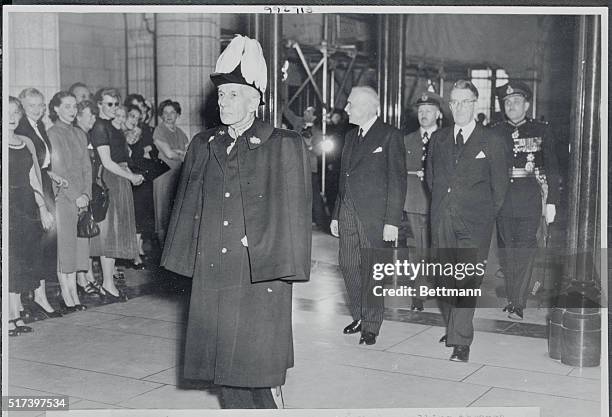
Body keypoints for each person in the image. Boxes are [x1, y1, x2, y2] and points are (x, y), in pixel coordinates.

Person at [161, 34, 312, 409]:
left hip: (258, 273)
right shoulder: (204, 143)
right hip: (214, 272)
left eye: (233, 95)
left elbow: (293, 214)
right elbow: (187, 206)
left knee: (258, 372)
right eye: (222, 95)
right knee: (223, 372)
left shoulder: (283, 144)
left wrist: (262, 245)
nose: (223, 102)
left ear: (255, 100)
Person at [426, 80, 509, 362]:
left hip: (475, 223)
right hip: (443, 218)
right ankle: (454, 326)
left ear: (475, 104)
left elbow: (500, 187)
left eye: (464, 102)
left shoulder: (493, 141)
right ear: (449, 106)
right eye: (454, 102)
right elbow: (431, 179)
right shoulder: (439, 139)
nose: (459, 107)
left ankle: (461, 340)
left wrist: (484, 215)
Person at [330, 86, 406, 346]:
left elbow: (397, 181)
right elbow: (343, 177)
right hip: (348, 211)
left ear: (368, 107)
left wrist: (392, 222)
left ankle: (371, 324)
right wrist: (336, 215)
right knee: (348, 264)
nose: (347, 109)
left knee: (373, 271)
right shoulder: (351, 136)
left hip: (375, 216)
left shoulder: (389, 136)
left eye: (351, 104)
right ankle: (360, 315)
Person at [492, 81, 560, 320]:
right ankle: (512, 297)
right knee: (507, 252)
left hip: (530, 199)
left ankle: (518, 303)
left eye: (516, 101)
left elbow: (552, 168)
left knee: (524, 250)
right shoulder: (494, 131)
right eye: (507, 102)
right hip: (502, 201)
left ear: (527, 105)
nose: (511, 105)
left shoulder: (542, 130)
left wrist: (551, 201)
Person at [89, 88, 144, 302]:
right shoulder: (100, 127)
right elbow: (107, 162)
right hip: (111, 180)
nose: (112, 107)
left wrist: (131, 174)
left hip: (120, 178)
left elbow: (120, 158)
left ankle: (108, 281)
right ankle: (107, 284)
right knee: (109, 233)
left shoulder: (113, 126)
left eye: (115, 104)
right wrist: (129, 177)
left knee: (114, 232)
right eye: (108, 104)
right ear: (99, 104)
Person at [8, 96, 56, 335]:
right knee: (10, 259)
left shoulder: (24, 141)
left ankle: (15, 313)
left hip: (26, 204)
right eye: (5, 113)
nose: (10, 118)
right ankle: (8, 315)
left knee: (23, 259)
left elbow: (33, 177)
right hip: (8, 205)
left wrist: (42, 207)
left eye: (14, 113)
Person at [15, 88, 62, 319]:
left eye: (40, 105)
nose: (38, 109)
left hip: (45, 183)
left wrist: (52, 175)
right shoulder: (21, 129)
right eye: (32, 105)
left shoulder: (39, 126)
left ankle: (36, 295)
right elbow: (27, 167)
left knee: (45, 242)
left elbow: (41, 162)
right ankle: (36, 296)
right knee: (37, 242)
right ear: (22, 108)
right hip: (33, 190)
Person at [47, 91, 92, 312]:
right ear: (55, 109)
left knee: (75, 247)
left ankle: (74, 291)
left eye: (74, 106)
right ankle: (67, 293)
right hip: (64, 197)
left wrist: (87, 195)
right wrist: (76, 196)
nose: (72, 110)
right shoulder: (53, 133)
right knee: (65, 247)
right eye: (67, 106)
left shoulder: (79, 133)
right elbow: (59, 169)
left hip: (81, 197)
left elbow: (87, 167)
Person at [401, 92, 442, 311]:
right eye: (421, 111)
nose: (424, 115)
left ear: (438, 113)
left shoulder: (447, 138)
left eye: (428, 111)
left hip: (440, 202)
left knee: (437, 247)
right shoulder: (407, 140)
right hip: (415, 201)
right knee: (416, 248)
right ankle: (418, 293)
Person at [73, 99, 104, 295]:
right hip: (79, 191)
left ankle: (87, 275)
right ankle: (80, 278)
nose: (93, 118)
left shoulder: (89, 136)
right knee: (80, 236)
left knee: (87, 234)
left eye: (95, 114)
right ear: (78, 116)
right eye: (89, 115)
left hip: (90, 188)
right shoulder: (77, 136)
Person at [283, 103, 328, 230]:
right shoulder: (298, 122)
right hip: (295, 165)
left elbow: (319, 152)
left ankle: (320, 223)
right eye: (305, 111)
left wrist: (309, 145)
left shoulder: (318, 132)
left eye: (308, 112)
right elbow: (287, 113)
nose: (304, 113)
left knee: (314, 196)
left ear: (314, 117)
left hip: (310, 167)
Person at [124, 104, 158, 266]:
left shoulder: (138, 133)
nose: (135, 120)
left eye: (138, 118)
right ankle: (132, 253)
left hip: (139, 177)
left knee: (141, 215)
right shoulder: (120, 133)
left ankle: (137, 250)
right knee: (133, 216)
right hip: (127, 177)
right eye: (132, 116)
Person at [153, 99, 188, 244]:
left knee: (177, 213)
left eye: (172, 112)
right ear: (161, 115)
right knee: (163, 215)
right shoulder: (159, 130)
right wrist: (180, 153)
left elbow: (188, 153)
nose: (168, 115)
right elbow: (169, 154)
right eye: (165, 112)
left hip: (179, 175)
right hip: (164, 175)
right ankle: (162, 253)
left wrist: (179, 152)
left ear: (178, 114)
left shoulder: (181, 132)